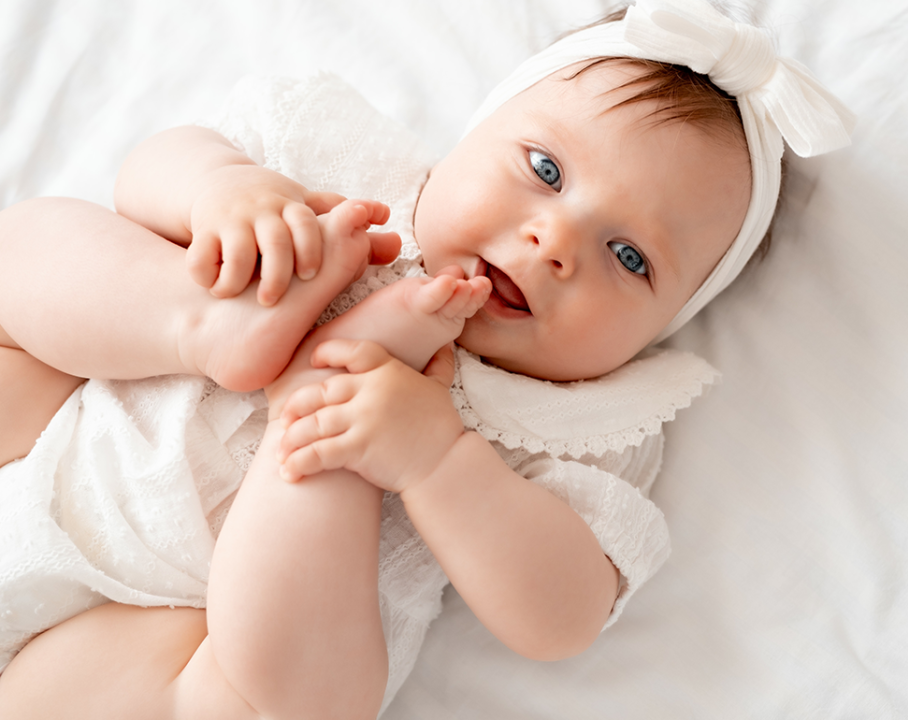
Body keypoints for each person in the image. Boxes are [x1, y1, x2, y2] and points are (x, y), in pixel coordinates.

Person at [0, 1, 855, 717]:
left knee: (285, 702)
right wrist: (224, 191)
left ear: (666, 326)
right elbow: (149, 171)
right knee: (29, 250)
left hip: (181, 622)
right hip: (58, 434)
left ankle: (327, 406)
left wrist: (437, 458)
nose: (553, 241)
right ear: (474, 134)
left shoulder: (588, 424)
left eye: (629, 258)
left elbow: (559, 618)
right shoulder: (334, 181)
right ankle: (205, 324)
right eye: (546, 169)